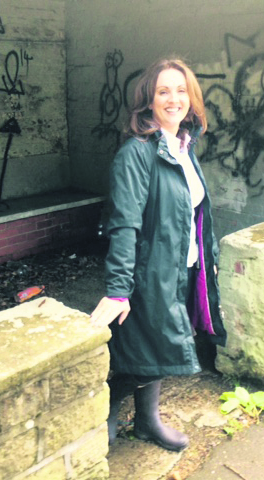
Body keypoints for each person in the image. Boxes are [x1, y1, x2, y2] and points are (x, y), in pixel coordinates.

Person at [90, 58, 227, 452]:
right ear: (148, 100)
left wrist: (209, 258)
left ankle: (147, 421)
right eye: (163, 91)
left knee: (159, 347)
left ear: (191, 98)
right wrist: (119, 290)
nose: (173, 99)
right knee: (153, 348)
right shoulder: (136, 153)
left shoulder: (183, 147)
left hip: (185, 270)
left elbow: (197, 214)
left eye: (181, 90)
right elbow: (125, 224)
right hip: (150, 275)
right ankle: (109, 405)